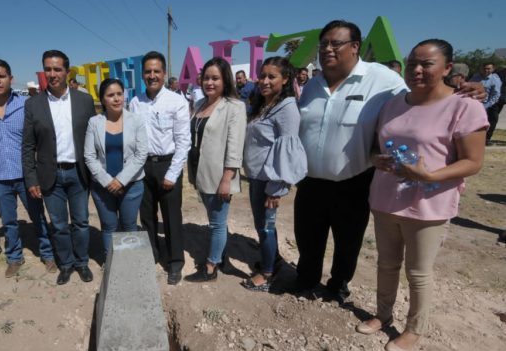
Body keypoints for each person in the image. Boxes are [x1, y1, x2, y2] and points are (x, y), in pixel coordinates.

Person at [296, 20, 486, 303]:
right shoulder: (312, 84)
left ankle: (337, 286)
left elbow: (421, 93)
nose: (327, 49)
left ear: (355, 46)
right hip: (310, 180)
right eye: (323, 44)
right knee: (307, 235)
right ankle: (305, 281)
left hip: (354, 180)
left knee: (348, 241)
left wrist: (467, 89)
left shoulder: (383, 79)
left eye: (336, 43)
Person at [357, 39, 488, 351]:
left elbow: (473, 161)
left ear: (446, 68)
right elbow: (378, 147)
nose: (417, 69)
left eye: (426, 64)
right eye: (413, 62)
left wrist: (429, 176)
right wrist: (377, 160)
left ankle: (415, 328)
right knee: (386, 263)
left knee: (418, 272)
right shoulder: (393, 104)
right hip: (386, 197)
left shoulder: (464, 106)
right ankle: (382, 314)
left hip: (429, 203)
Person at [0, 58, 55, 278]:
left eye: (2, 76)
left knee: (38, 217)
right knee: (8, 221)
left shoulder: (26, 104)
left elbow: (40, 134)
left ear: (10, 78)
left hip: (27, 175)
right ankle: (14, 257)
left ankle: (47, 253)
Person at [22, 50, 96, 285]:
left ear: (67, 71)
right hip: (49, 175)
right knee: (59, 225)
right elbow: (27, 145)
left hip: (78, 173)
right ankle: (66, 264)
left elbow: (93, 138)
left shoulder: (84, 100)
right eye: (48, 69)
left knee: (82, 222)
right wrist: (31, 179)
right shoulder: (34, 104)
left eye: (57, 69)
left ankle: (82, 262)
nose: (52, 74)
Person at [240, 57, 307, 292]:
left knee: (267, 226)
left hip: (269, 181)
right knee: (262, 225)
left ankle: (268, 274)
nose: (264, 81)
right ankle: (273, 261)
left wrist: (277, 188)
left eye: (272, 76)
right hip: (257, 178)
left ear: (286, 79)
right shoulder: (264, 104)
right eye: (262, 75)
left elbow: (287, 151)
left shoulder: (287, 108)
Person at [128, 51, 190, 285]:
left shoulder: (177, 101)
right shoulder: (135, 102)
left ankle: (175, 262)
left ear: (164, 74)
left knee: (172, 217)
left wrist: (173, 173)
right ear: (142, 74)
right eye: (147, 71)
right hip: (143, 166)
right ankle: (152, 253)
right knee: (147, 216)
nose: (152, 75)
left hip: (168, 164)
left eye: (156, 71)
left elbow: (184, 141)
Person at [184, 57, 246, 282]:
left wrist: (227, 178)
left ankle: (211, 267)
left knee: (217, 223)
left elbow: (235, 146)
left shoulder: (234, 107)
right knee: (214, 219)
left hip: (219, 175)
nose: (209, 82)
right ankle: (222, 256)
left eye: (215, 78)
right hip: (200, 171)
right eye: (207, 78)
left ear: (225, 80)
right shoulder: (201, 105)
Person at [85, 78, 148, 254]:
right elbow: (89, 156)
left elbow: (141, 154)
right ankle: (110, 264)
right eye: (111, 95)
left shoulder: (136, 121)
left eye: (119, 94)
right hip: (102, 187)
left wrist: (120, 180)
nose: (116, 98)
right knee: (109, 226)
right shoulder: (94, 122)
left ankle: (129, 262)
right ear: (103, 99)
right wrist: (107, 181)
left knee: (129, 226)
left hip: (131, 186)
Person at [470, 63, 502, 145]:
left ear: (492, 69)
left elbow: (496, 95)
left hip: (490, 103)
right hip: (475, 103)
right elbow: (469, 87)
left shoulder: (495, 79)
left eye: (488, 68)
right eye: (484, 68)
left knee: (492, 120)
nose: (486, 70)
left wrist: (486, 106)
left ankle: (486, 139)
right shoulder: (475, 77)